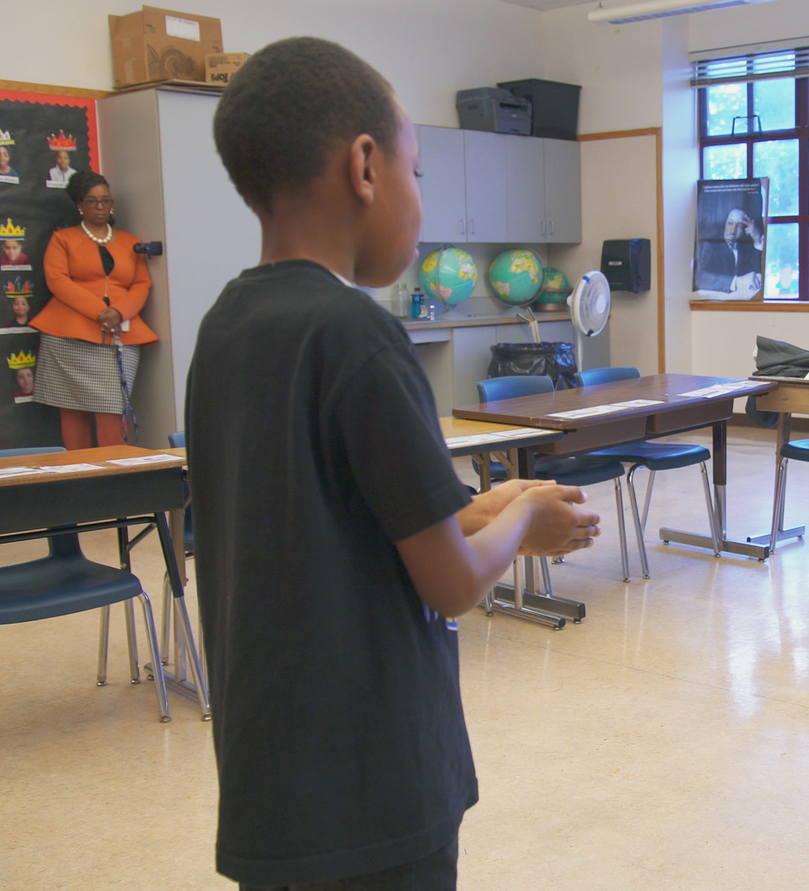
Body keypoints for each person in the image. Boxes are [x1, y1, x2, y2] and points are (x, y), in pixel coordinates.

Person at [189, 37, 602, 890]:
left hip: (276, 782)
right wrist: (524, 516)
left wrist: (506, 499)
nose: (418, 202)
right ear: (365, 166)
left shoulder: (229, 325)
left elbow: (364, 518)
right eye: (417, 172)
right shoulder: (358, 334)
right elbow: (449, 580)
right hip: (373, 790)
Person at [32, 170, 156, 449]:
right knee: (72, 410)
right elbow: (57, 280)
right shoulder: (63, 239)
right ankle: (79, 479)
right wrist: (99, 311)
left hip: (119, 334)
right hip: (68, 335)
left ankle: (115, 478)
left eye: (105, 200)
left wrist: (120, 312)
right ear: (79, 205)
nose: (100, 207)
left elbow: (141, 283)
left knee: (113, 409)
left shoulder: (129, 241)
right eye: (92, 201)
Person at [695, 207, 763, 292]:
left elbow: (760, 271)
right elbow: (700, 278)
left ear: (746, 229)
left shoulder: (745, 245)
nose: (733, 230)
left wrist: (757, 239)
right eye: (730, 223)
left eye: (739, 226)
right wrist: (736, 282)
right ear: (725, 223)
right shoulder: (711, 244)